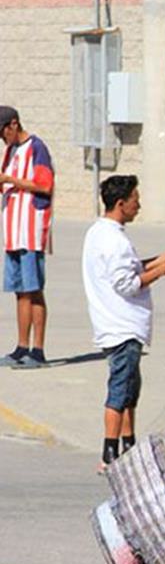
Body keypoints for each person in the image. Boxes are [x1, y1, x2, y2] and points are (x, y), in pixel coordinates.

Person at [82, 175, 165, 473]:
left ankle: (128, 444)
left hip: (119, 325)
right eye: (135, 200)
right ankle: (109, 453)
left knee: (130, 388)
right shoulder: (113, 240)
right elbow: (127, 283)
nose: (138, 205)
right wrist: (162, 270)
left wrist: (160, 260)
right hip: (122, 326)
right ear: (121, 203)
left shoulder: (101, 233)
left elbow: (130, 268)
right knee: (120, 389)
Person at [0, 106, 54, 368]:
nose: (3, 139)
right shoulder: (10, 151)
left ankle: (38, 350)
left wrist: (11, 179)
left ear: (13, 124)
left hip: (30, 229)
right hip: (12, 231)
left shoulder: (37, 148)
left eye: (3, 133)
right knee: (19, 291)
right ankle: (22, 346)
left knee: (34, 289)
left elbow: (44, 184)